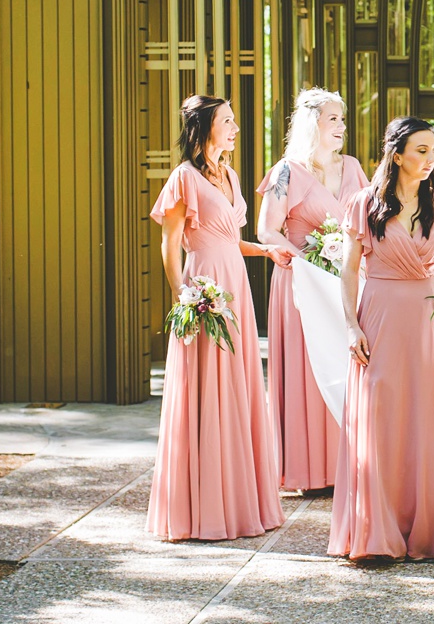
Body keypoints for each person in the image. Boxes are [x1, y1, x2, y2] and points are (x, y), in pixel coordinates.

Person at [148, 95, 292, 541]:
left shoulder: (229, 174)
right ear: (205, 127)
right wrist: (183, 297)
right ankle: (202, 508)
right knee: (206, 390)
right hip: (205, 290)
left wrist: (265, 250)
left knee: (238, 388)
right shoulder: (183, 178)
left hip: (238, 290)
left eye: (234, 120)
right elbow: (171, 247)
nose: (234, 128)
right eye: (227, 121)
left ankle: (238, 500)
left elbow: (230, 240)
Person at [330, 117, 434, 564]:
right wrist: (351, 325)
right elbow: (349, 270)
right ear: (397, 154)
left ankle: (426, 533)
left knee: (423, 422)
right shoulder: (363, 203)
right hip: (381, 320)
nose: (431, 160)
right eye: (422, 151)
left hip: (428, 326)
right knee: (380, 421)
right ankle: (376, 534)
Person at [255, 88, 368, 494]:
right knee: (308, 370)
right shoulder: (288, 170)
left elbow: (368, 223)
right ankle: (308, 471)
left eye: (342, 119)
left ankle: (347, 463)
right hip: (300, 282)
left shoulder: (353, 168)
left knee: (344, 365)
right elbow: (266, 229)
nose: (341, 126)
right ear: (313, 124)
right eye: (333, 119)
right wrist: (307, 261)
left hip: (343, 284)